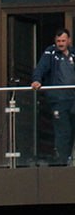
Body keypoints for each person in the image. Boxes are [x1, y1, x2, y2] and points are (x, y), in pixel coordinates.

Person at [33, 30, 75, 164]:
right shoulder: (50, 53)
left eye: (63, 41)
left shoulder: (73, 53)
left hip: (73, 99)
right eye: (58, 41)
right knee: (63, 132)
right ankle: (63, 162)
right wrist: (36, 79)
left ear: (69, 40)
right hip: (59, 100)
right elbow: (41, 68)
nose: (60, 44)